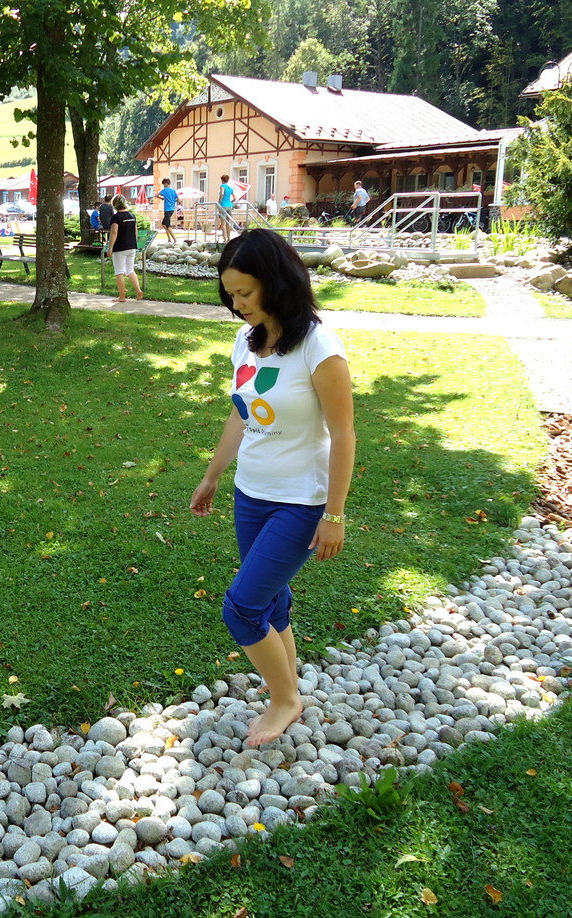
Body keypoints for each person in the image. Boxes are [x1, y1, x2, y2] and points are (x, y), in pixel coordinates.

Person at [190, 228, 355, 747]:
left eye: (245, 292)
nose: (236, 305)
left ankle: (285, 700)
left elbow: (344, 434)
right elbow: (242, 414)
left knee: (241, 607)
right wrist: (213, 475)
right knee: (270, 601)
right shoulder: (246, 340)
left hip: (300, 502)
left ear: (275, 282)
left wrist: (334, 513)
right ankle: (288, 687)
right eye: (230, 294)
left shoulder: (319, 347)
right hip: (251, 493)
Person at [107, 195, 142, 303]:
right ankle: (138, 290)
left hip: (120, 247)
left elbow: (114, 232)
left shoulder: (116, 217)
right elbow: (135, 231)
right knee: (130, 270)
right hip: (131, 246)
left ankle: (122, 296)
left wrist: (110, 247)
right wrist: (134, 242)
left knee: (119, 271)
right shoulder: (132, 216)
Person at [156, 178, 178, 243]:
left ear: (165, 183)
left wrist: (161, 198)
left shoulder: (165, 190)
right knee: (163, 224)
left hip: (167, 209)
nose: (163, 186)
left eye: (163, 184)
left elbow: (156, 195)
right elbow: (178, 199)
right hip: (172, 209)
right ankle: (169, 239)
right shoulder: (173, 191)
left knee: (168, 226)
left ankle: (175, 240)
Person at [218, 174, 236, 240]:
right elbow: (234, 198)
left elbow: (222, 194)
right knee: (228, 223)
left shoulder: (222, 186)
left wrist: (219, 202)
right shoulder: (230, 188)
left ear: (222, 180)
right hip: (229, 206)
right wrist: (230, 202)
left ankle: (224, 238)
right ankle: (229, 238)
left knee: (223, 223)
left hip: (223, 205)